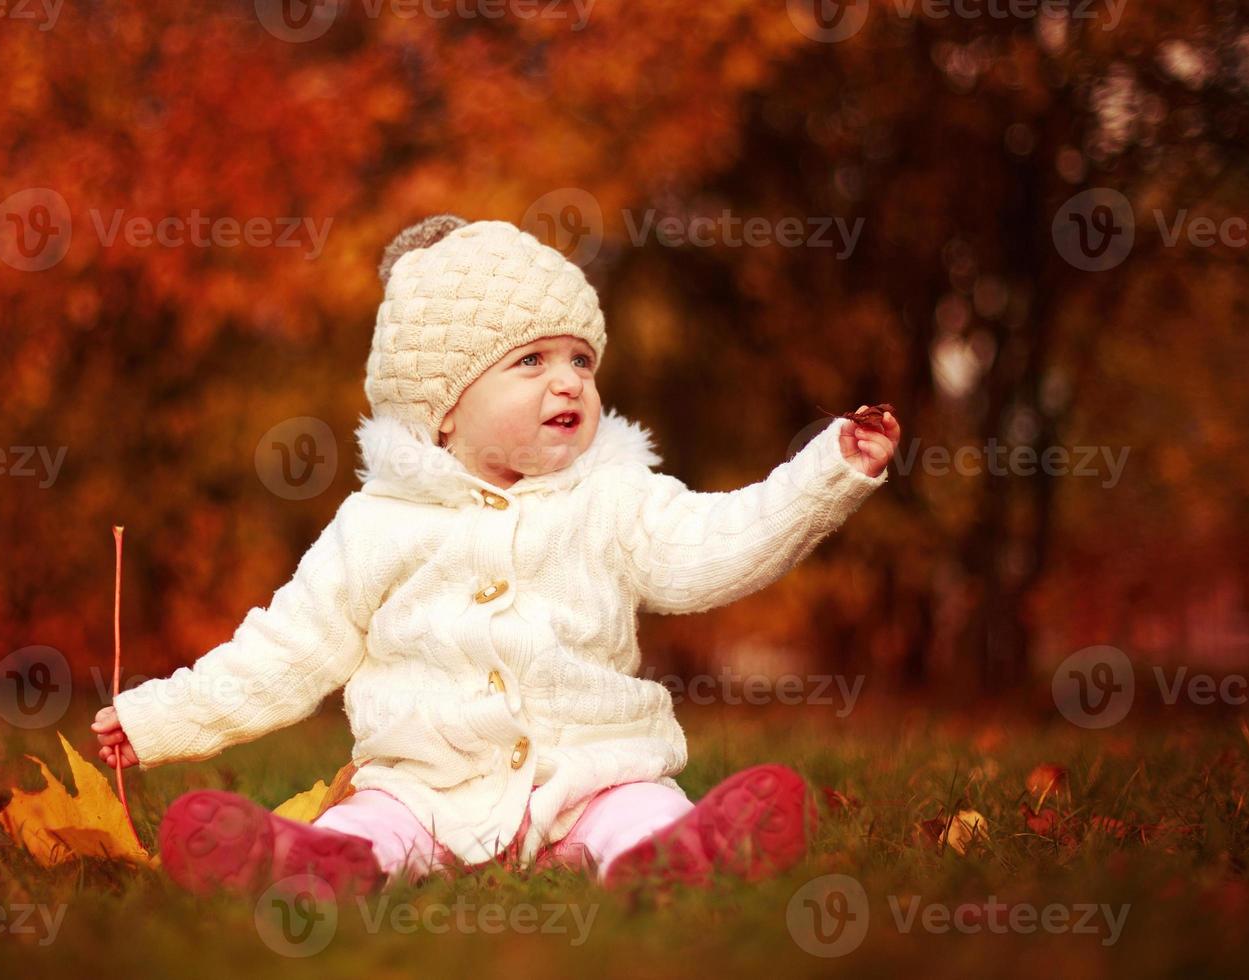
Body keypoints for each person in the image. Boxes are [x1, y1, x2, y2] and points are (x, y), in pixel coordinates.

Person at [90, 214, 901, 899]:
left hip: (590, 775)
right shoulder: (378, 525)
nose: (570, 383)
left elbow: (720, 544)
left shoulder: (614, 497)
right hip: (426, 786)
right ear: (442, 410)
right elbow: (286, 650)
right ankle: (308, 865)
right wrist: (158, 717)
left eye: (582, 359)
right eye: (531, 361)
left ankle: (679, 855)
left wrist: (828, 473)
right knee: (372, 825)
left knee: (637, 810)